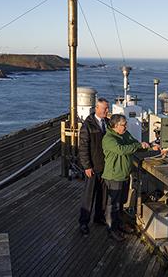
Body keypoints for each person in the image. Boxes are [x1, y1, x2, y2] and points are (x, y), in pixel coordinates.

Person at [102, 114, 164, 241]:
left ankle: (119, 225)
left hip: (124, 174)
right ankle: (111, 230)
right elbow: (122, 149)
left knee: (121, 203)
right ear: (115, 126)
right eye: (123, 125)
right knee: (112, 205)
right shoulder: (108, 138)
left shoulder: (125, 134)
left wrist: (150, 147)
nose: (126, 127)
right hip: (114, 176)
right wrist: (139, 146)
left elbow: (134, 144)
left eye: (125, 124)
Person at [78, 98, 110, 236]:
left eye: (107, 108)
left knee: (102, 195)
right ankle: (84, 222)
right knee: (89, 196)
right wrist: (87, 166)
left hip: (104, 166)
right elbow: (83, 148)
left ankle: (99, 217)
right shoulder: (88, 126)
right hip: (92, 166)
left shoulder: (107, 123)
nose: (107, 111)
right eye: (105, 109)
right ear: (96, 108)